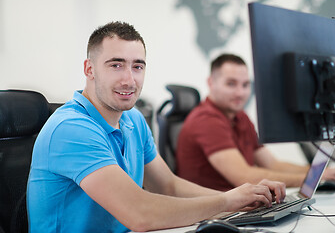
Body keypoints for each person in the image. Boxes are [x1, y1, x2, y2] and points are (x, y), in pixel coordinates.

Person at [26, 22, 286, 233]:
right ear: (89, 69)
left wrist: (238, 202)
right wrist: (228, 201)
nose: (130, 79)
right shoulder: (71, 128)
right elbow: (139, 213)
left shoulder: (133, 120)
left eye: (137, 66)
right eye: (116, 65)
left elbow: (168, 186)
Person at [176, 53, 335, 191]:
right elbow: (243, 177)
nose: (240, 93)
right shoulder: (206, 120)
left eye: (245, 84)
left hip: (237, 206)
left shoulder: (239, 117)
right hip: (216, 215)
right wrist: (312, 177)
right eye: (231, 84)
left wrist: (318, 172)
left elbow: (273, 164)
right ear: (211, 83)